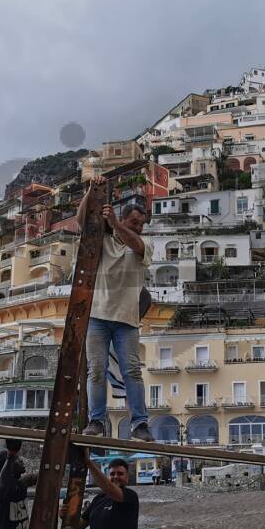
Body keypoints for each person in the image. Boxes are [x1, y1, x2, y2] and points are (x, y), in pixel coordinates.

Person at [77, 175, 154, 442]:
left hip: (127, 319)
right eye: (135, 222)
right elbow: (82, 220)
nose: (140, 228)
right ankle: (95, 421)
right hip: (97, 316)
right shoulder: (103, 240)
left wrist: (118, 224)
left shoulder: (144, 246)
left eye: (142, 224)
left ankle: (139, 424)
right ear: (124, 219)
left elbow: (135, 243)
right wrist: (91, 191)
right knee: (96, 370)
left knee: (132, 370)